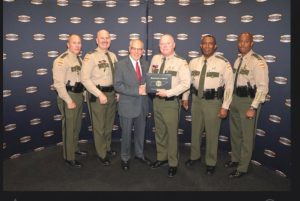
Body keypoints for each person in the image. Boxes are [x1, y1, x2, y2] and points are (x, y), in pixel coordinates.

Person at [182, 34, 234, 175]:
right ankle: (195, 156)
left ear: (215, 46)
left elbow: (229, 86)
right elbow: (188, 83)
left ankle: (211, 162)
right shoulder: (193, 62)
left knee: (212, 134)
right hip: (197, 101)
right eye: (204, 43)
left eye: (210, 43)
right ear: (201, 45)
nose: (207, 46)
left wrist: (225, 106)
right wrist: (185, 97)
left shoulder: (223, 63)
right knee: (196, 131)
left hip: (213, 102)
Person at [225, 32, 269, 178]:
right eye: (240, 41)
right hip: (236, 100)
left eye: (246, 41)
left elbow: (263, 87)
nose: (242, 44)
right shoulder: (238, 60)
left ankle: (243, 167)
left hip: (249, 102)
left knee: (247, 136)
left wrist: (253, 107)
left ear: (252, 43)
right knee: (235, 133)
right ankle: (235, 159)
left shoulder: (257, 61)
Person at [149, 34, 191, 177]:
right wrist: (147, 87)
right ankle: (162, 157)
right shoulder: (155, 59)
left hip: (171, 103)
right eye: (161, 44)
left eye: (167, 43)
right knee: (160, 132)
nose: (164, 46)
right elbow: (151, 77)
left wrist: (169, 93)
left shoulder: (181, 62)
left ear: (174, 45)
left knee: (172, 135)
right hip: (156, 102)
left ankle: (173, 163)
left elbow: (186, 84)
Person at [81, 29, 118, 166]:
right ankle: (101, 154)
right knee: (99, 126)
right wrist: (99, 94)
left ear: (110, 39)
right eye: (102, 38)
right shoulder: (90, 56)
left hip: (111, 94)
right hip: (97, 95)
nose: (105, 40)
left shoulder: (113, 55)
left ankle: (107, 148)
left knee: (108, 124)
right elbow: (84, 79)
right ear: (96, 40)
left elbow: (116, 77)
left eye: (107, 38)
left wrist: (117, 92)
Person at [114, 39, 152, 171]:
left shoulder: (146, 64)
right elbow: (117, 85)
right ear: (129, 49)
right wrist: (137, 91)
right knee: (126, 134)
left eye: (140, 49)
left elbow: (149, 83)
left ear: (143, 51)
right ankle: (125, 157)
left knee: (141, 132)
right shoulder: (120, 64)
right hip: (127, 105)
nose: (137, 51)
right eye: (134, 48)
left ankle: (139, 154)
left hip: (142, 105)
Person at [52, 34, 87, 168]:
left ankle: (74, 148)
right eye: (74, 43)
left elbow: (82, 79)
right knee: (69, 127)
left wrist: (83, 95)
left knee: (76, 126)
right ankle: (69, 157)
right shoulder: (61, 60)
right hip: (68, 96)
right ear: (68, 44)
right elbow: (58, 84)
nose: (77, 45)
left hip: (77, 95)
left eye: (79, 43)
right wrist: (68, 100)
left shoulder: (79, 59)